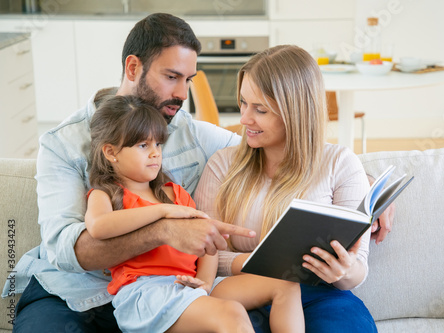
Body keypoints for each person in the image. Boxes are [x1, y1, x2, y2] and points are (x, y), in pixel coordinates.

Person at [1, 13, 392, 332]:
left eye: (188, 80)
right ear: (133, 67)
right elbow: (72, 250)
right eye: (171, 77)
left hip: (173, 290)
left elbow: (273, 146)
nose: (182, 94)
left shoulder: (190, 132)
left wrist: (367, 191)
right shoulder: (64, 143)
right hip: (75, 292)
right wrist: (164, 226)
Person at [194, 44, 379, 332]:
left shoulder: (340, 164)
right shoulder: (222, 166)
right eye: (243, 103)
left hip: (322, 296)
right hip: (242, 296)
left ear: (296, 111)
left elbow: (358, 270)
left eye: (260, 110)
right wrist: (272, 269)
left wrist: (344, 270)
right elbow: (206, 255)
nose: (244, 119)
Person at [85, 94, 304, 332]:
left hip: (191, 285)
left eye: (158, 144)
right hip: (146, 292)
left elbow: (208, 246)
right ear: (110, 152)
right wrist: (162, 211)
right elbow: (98, 226)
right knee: (231, 312)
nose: (155, 153)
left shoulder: (176, 194)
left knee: (286, 284)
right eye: (142, 145)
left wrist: (204, 285)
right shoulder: (106, 195)